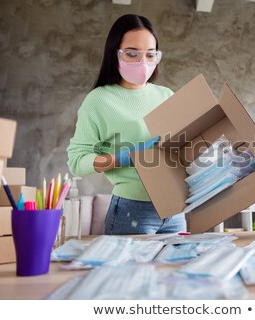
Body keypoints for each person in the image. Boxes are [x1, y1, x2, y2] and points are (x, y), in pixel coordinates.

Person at [67, 14, 186, 235]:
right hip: (132, 211)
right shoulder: (99, 100)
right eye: (132, 54)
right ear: (115, 54)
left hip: (175, 210)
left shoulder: (167, 95)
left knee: (173, 270)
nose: (143, 62)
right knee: (131, 271)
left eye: (150, 55)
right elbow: (76, 161)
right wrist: (122, 157)